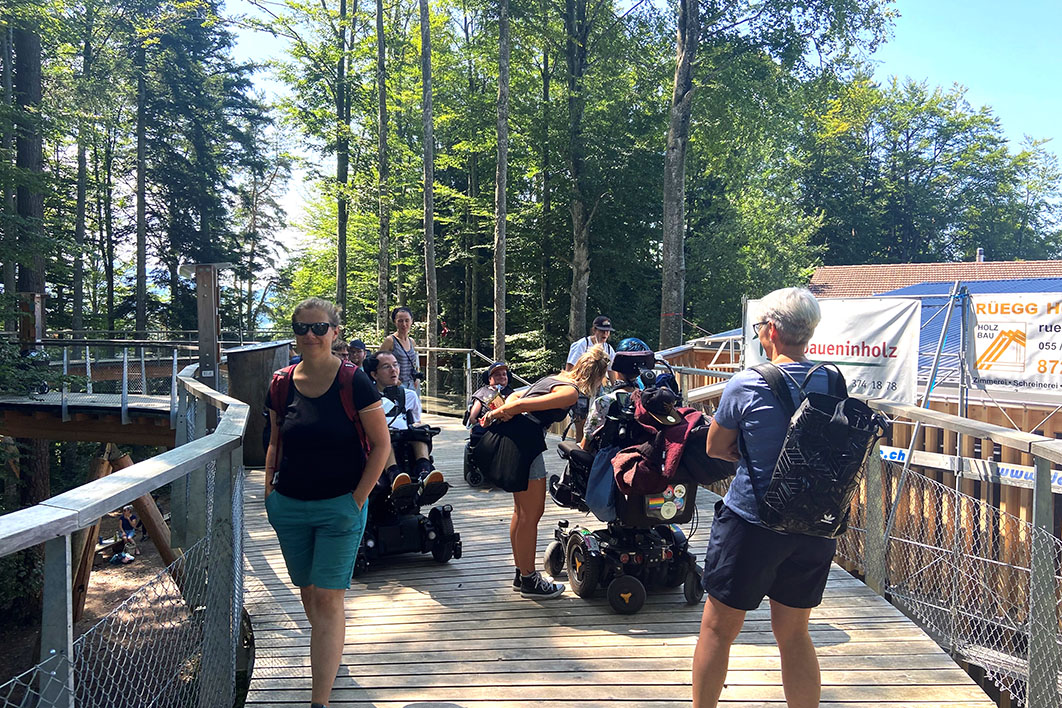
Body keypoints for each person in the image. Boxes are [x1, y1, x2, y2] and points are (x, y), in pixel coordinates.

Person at [692, 287, 835, 708]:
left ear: (771, 330)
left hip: (753, 521)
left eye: (759, 328)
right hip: (813, 523)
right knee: (794, 634)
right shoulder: (833, 379)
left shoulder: (747, 383)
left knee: (717, 630)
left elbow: (716, 448)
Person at [264, 297, 391, 708]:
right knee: (307, 590)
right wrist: (269, 492)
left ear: (335, 333)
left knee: (327, 596)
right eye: (302, 328)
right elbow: (275, 442)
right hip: (290, 505)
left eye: (319, 328)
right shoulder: (281, 383)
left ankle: (320, 701)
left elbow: (381, 444)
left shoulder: (354, 381)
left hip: (340, 506)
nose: (311, 336)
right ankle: (329, 651)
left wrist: (357, 500)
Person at [487, 346, 612, 598]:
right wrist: (500, 412)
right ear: (597, 376)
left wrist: (509, 408)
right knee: (532, 514)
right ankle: (531, 581)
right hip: (526, 443)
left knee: (520, 512)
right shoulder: (569, 392)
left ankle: (521, 573)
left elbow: (515, 397)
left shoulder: (556, 379)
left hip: (516, 439)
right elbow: (519, 404)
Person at [363, 351, 443, 492]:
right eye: (386, 367)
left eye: (395, 365)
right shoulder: (368, 397)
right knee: (384, 436)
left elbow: (415, 419)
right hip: (382, 441)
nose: (393, 370)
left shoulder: (409, 396)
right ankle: (395, 475)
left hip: (405, 438)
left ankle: (424, 471)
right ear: (374, 374)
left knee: (420, 429)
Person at [565, 315, 616, 441]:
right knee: (580, 422)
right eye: (602, 330)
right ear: (594, 330)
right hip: (581, 388)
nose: (605, 333)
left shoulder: (609, 349)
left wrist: (615, 388)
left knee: (595, 422)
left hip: (598, 390)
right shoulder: (582, 345)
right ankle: (578, 454)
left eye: (607, 331)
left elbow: (612, 371)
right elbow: (569, 368)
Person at [378, 306, 422, 389]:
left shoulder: (411, 341)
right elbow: (377, 362)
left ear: (411, 321)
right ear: (395, 322)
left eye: (407, 320)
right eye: (400, 321)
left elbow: (415, 363)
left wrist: (417, 378)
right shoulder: (390, 341)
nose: (404, 324)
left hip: (411, 384)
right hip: (396, 385)